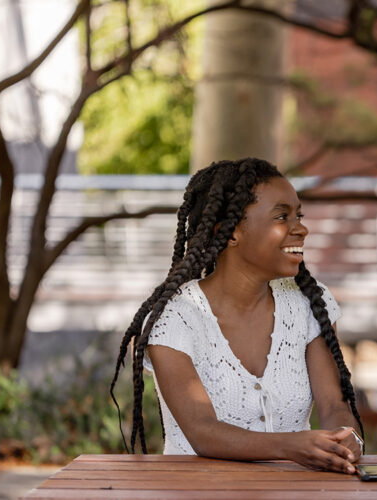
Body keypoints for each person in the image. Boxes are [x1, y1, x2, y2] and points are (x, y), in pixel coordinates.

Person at [111, 158, 363, 473]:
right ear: (230, 232)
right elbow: (202, 430)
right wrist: (290, 446)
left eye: (298, 215)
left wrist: (346, 438)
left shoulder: (310, 303)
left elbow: (333, 404)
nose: (301, 228)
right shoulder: (175, 316)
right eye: (282, 216)